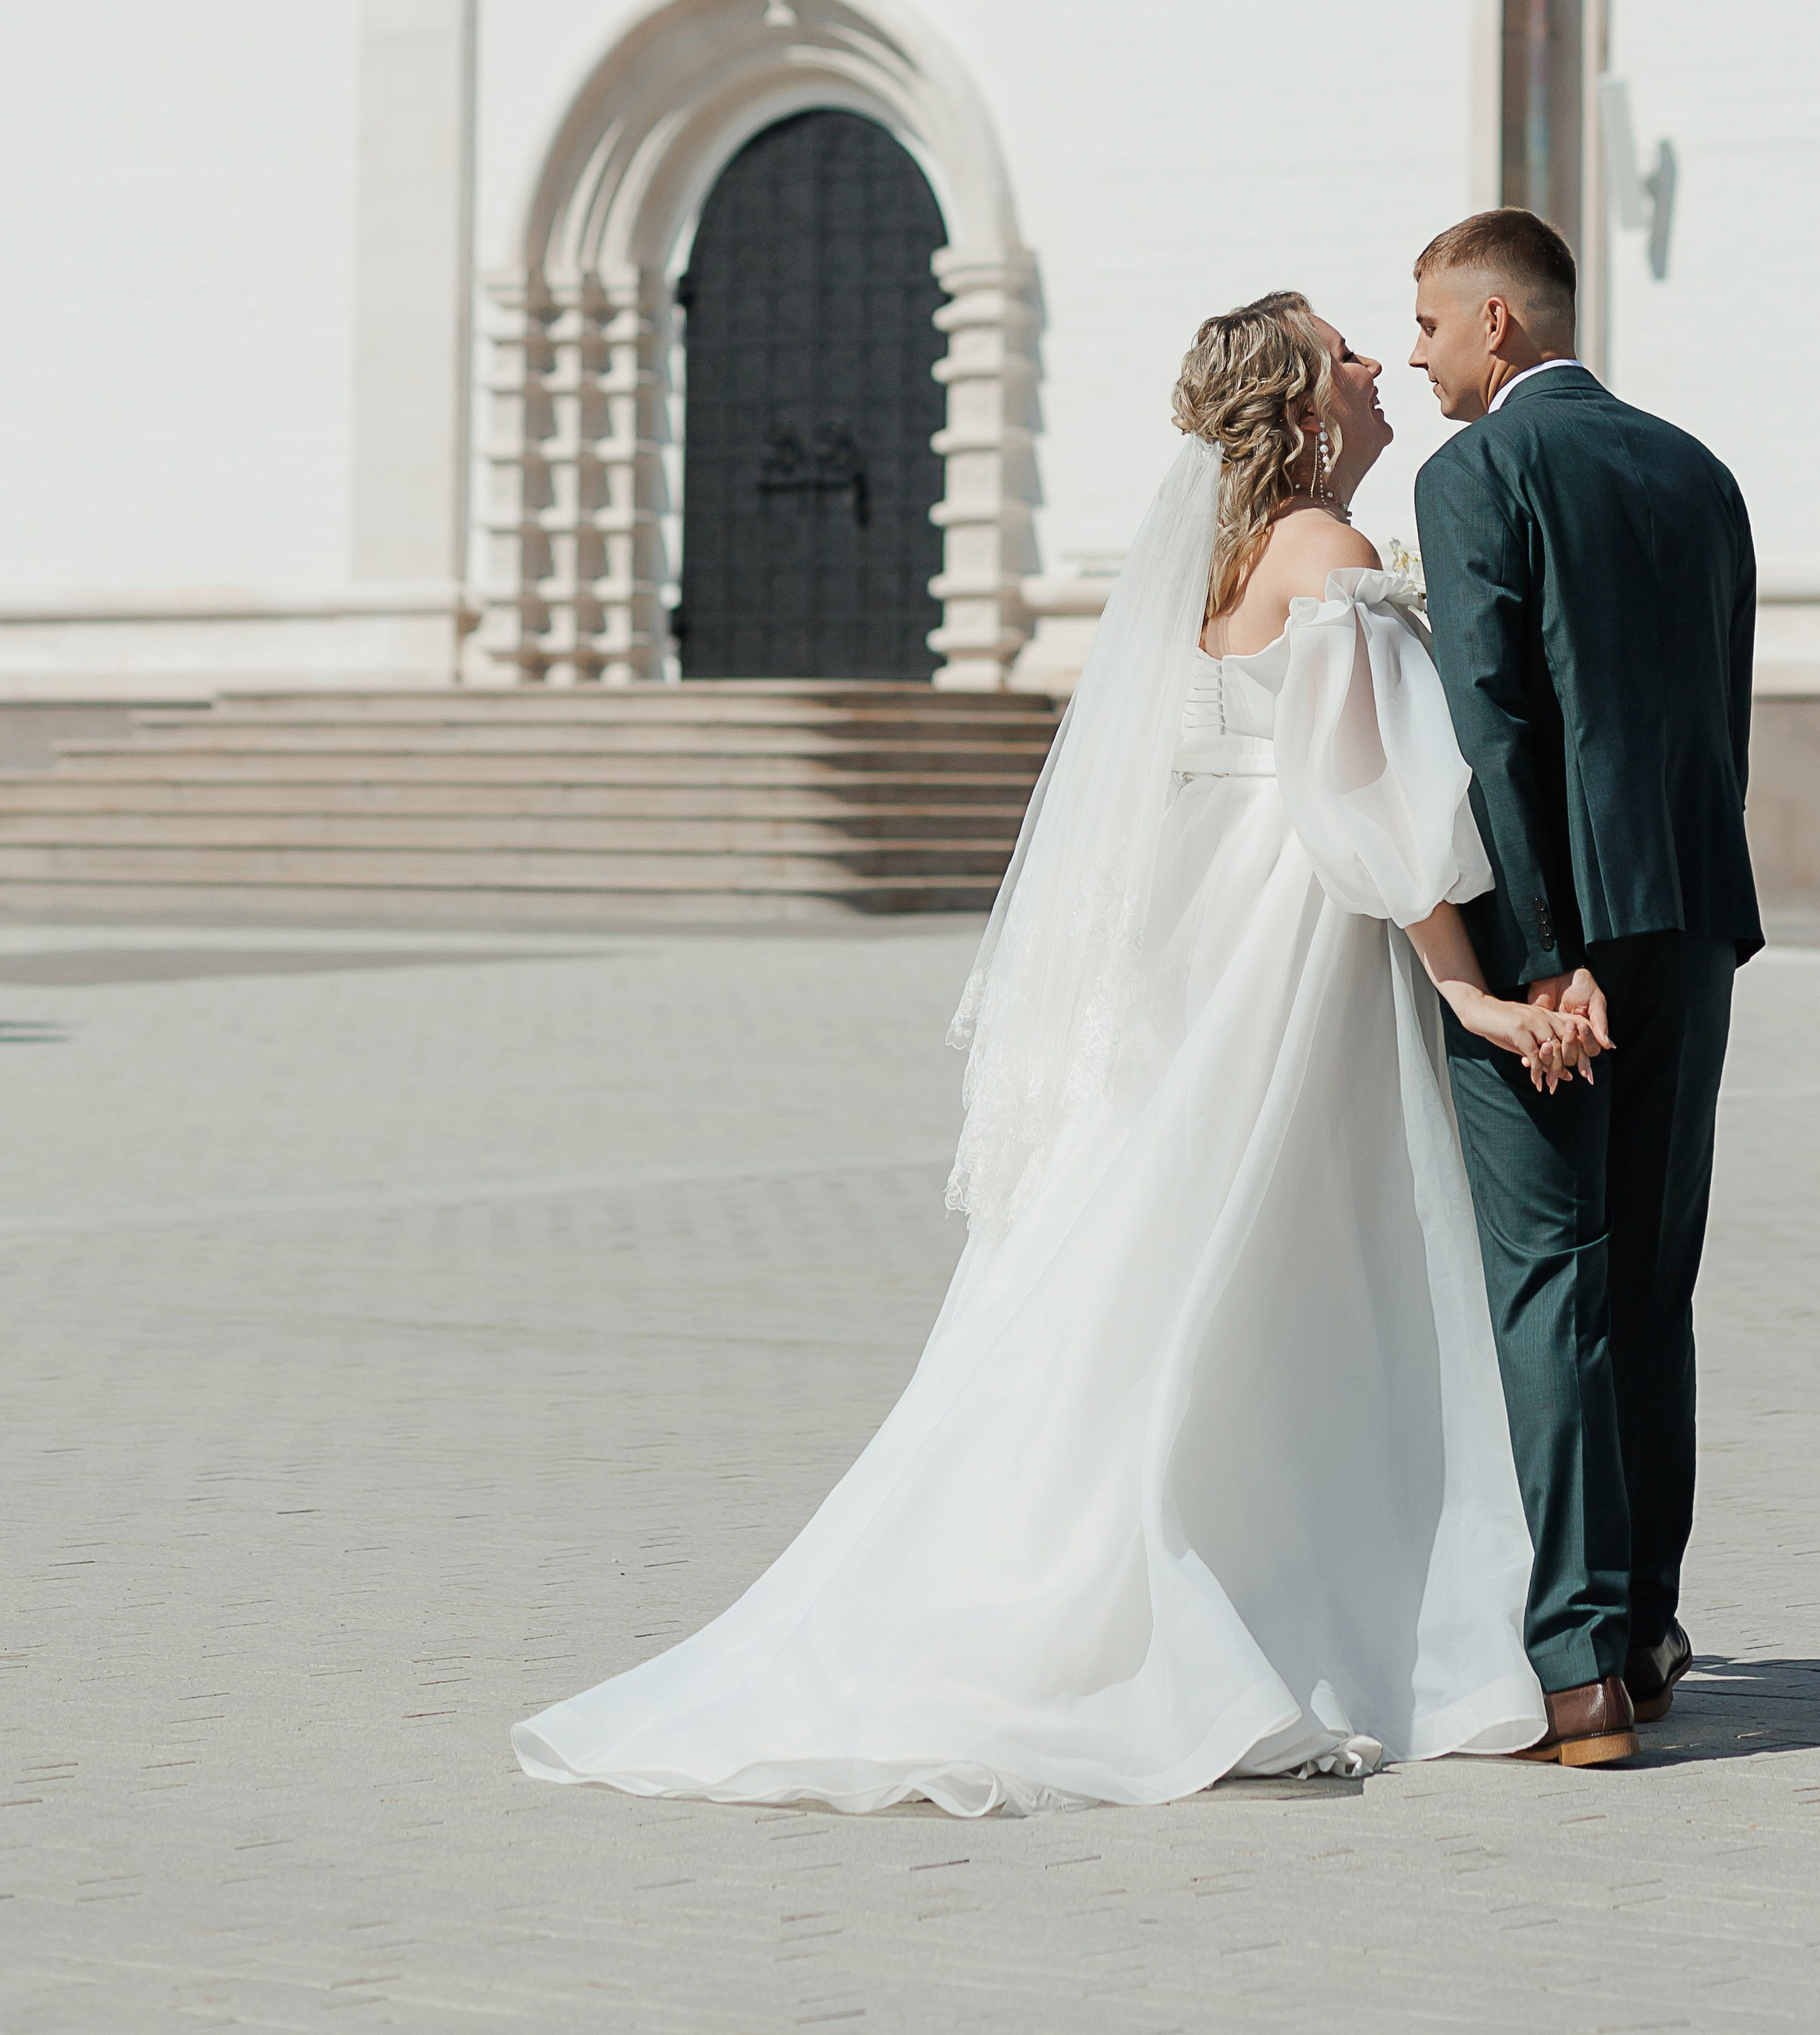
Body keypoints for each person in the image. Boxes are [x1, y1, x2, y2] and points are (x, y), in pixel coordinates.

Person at [512, 292, 1609, 1817]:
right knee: (1297, 1253)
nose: (1379, 368)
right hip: (1288, 945)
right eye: (1350, 354)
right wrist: (1473, 991)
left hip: (1199, 934)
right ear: (1305, 410)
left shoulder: (1214, 560)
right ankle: (1282, 1584)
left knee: (1169, 1237)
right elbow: (1374, 801)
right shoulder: (1328, 552)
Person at [1411, 208, 1762, 1769]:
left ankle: (1574, 1669)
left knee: (1554, 1275)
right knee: (1650, 1285)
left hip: (1549, 939)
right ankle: (1643, 1636)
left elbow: (1489, 724)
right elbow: (1719, 714)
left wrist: (1546, 951)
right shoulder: (1698, 471)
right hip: (1690, 919)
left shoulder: (1475, 472)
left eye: (1429, 323)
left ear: (1495, 323)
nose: (1417, 353)